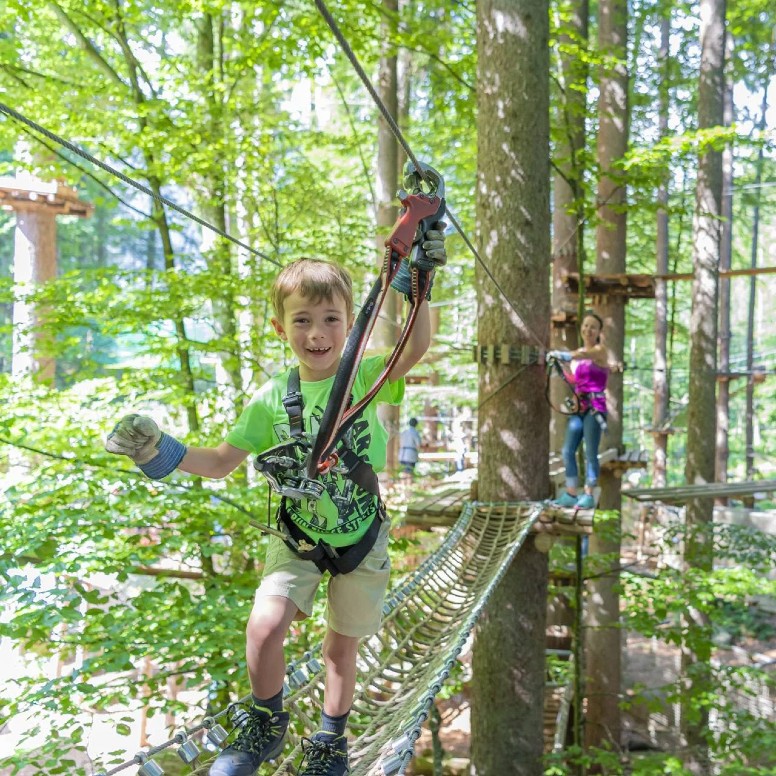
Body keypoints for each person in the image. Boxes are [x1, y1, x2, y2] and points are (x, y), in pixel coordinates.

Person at [104, 231, 446, 776]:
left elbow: (414, 346)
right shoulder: (269, 399)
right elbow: (219, 462)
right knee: (264, 627)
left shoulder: (365, 377)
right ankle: (266, 721)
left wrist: (419, 287)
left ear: (349, 326)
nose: (318, 332)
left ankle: (330, 740)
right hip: (298, 537)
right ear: (280, 328)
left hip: (360, 536)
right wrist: (157, 451)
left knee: (340, 649)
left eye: (333, 319)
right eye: (303, 319)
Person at [547, 310, 609, 510]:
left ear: (599, 331)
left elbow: (584, 354)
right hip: (580, 408)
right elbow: (576, 383)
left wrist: (564, 354)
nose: (588, 329)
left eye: (593, 327)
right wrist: (560, 367)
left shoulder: (600, 351)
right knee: (567, 450)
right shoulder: (575, 360)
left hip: (595, 408)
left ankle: (589, 493)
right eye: (585, 325)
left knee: (591, 452)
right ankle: (571, 493)